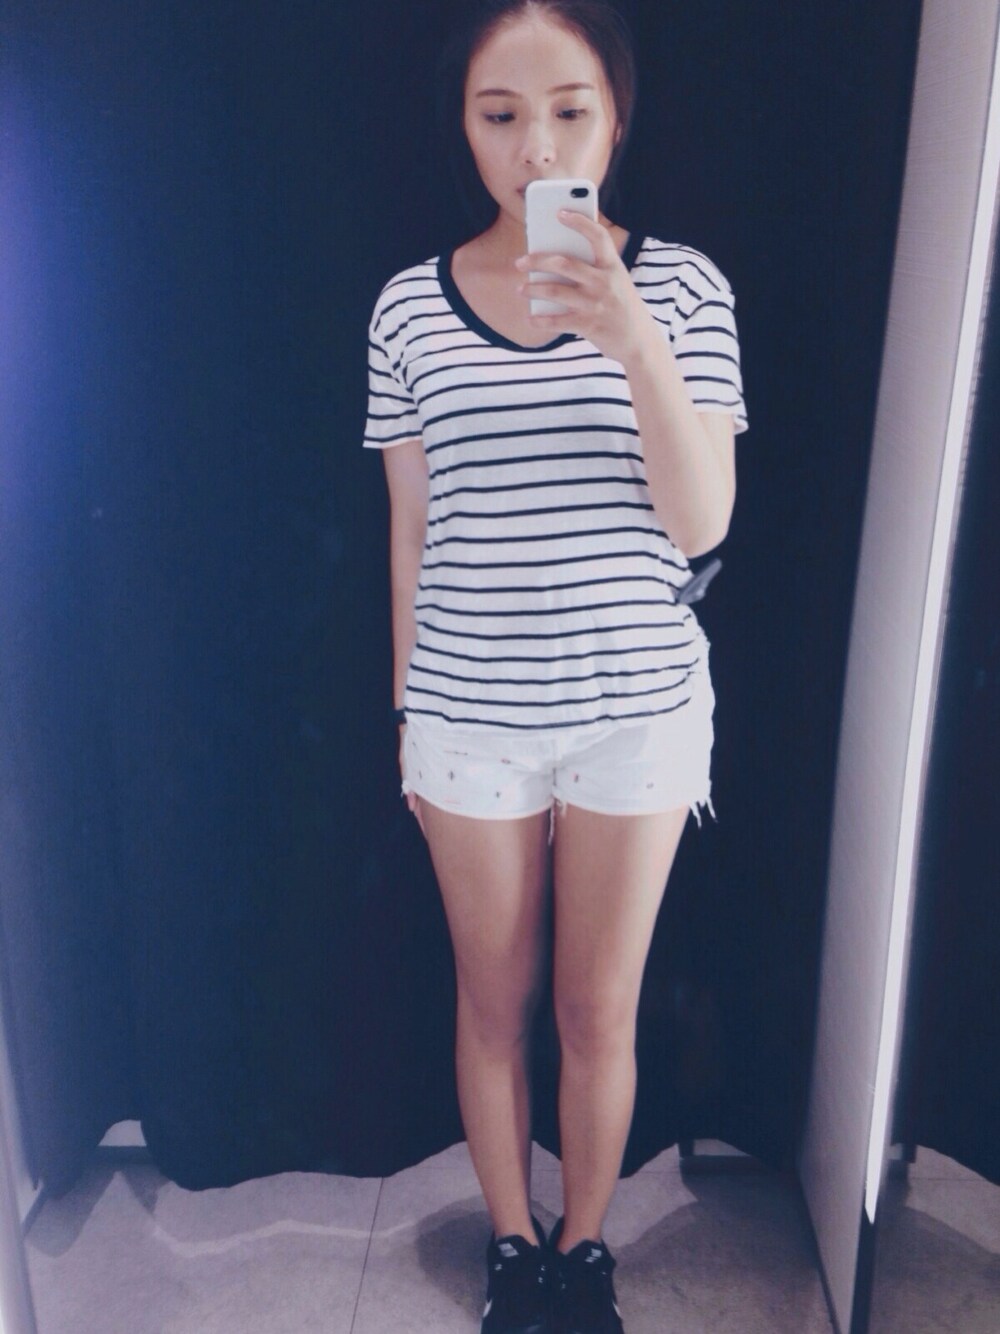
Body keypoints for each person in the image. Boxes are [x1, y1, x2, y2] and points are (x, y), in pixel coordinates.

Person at [363, 2, 747, 1329]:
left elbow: (702, 524)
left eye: (569, 110)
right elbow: (410, 533)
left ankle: (584, 1252)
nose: (537, 147)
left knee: (597, 1010)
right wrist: (407, 717)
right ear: (464, 126)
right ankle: (514, 1246)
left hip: (636, 713)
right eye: (502, 113)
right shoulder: (408, 308)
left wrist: (631, 338)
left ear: (615, 119)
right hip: (466, 715)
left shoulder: (686, 291)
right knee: (493, 1003)